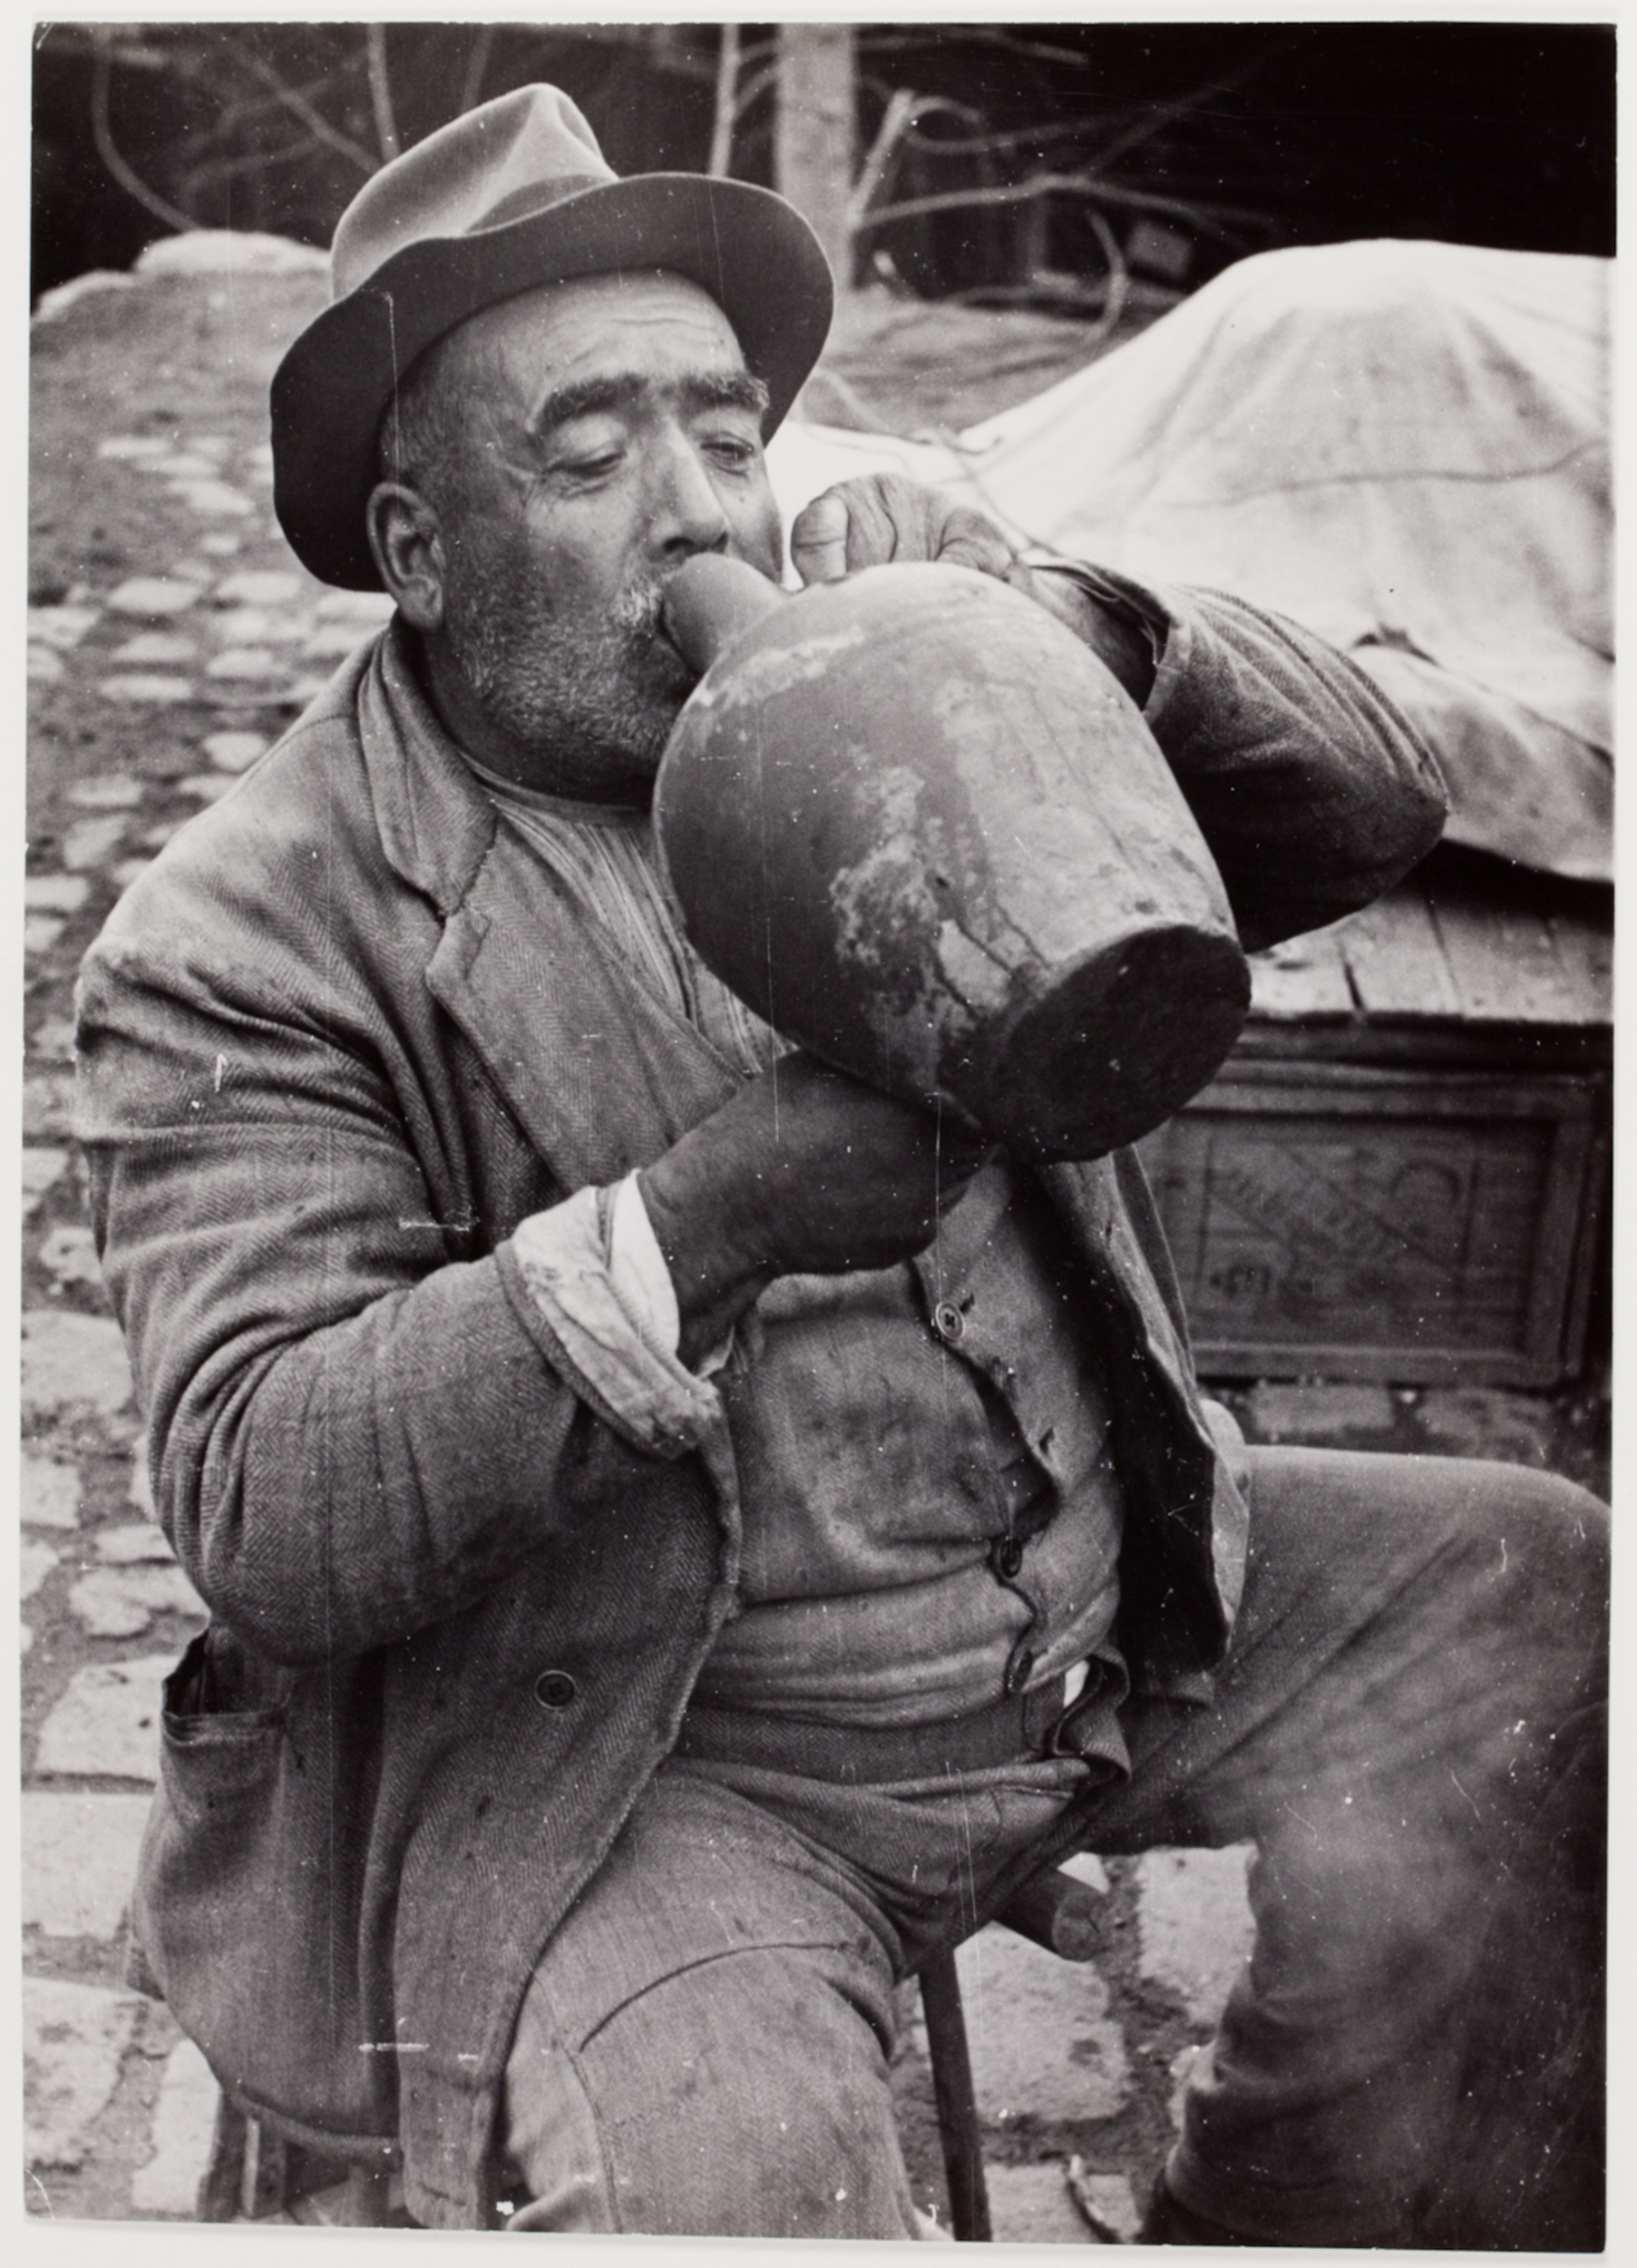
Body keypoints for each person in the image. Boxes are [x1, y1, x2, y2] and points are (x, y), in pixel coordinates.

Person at [75, 84, 1607, 2245]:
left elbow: (1373, 800)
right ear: (419, 553)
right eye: (590, 456)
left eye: (724, 428)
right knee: (734, 2178)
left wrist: (1070, 631)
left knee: (1544, 1598)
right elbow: (264, 1496)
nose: (697, 511)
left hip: (1089, 1623)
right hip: (673, 1761)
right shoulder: (251, 932)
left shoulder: (899, 694)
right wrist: (704, 1223)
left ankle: (1294, 2203)